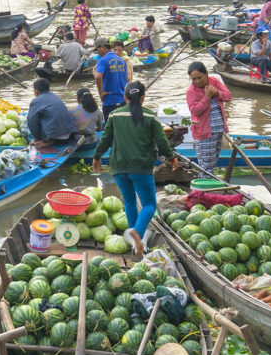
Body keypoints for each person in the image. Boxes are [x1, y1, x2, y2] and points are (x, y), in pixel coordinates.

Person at [92, 81, 173, 256]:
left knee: (128, 201)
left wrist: (97, 157)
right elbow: (162, 143)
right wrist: (172, 158)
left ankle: (135, 243)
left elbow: (105, 140)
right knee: (149, 205)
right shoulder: (150, 117)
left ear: (125, 97)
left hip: (119, 167)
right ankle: (137, 233)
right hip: (141, 168)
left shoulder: (114, 115)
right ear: (143, 97)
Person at [186, 61, 232, 171]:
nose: (197, 81)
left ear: (206, 74)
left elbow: (228, 96)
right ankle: (205, 187)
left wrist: (216, 94)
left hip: (218, 128)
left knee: (213, 162)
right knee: (206, 166)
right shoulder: (191, 91)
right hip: (204, 131)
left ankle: (207, 186)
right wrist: (206, 97)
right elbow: (195, 111)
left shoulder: (214, 82)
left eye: (199, 78)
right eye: (193, 79)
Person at [26, 77, 77, 149]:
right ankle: (51, 140)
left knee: (33, 122)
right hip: (69, 134)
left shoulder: (36, 101)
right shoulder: (56, 97)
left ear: (36, 91)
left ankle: (48, 142)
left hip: (56, 136)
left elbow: (31, 121)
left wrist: (37, 138)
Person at [94, 37, 129, 115]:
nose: (97, 52)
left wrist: (101, 93)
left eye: (97, 50)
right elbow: (126, 79)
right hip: (123, 100)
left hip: (110, 101)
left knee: (110, 126)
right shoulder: (122, 61)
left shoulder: (102, 61)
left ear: (102, 48)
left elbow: (98, 76)